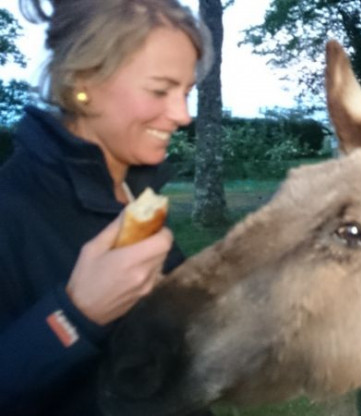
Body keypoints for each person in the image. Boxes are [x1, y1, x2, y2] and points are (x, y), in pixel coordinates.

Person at [0, 1, 212, 414]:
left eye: (186, 92)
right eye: (160, 90)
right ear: (83, 82)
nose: (183, 115)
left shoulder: (135, 196)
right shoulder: (11, 210)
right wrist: (75, 316)